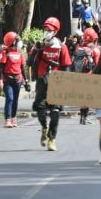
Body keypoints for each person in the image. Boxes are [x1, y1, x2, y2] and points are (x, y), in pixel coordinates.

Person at [31, 17, 72, 152]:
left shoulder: (61, 47)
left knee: (55, 111)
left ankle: (52, 138)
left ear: (55, 31)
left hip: (57, 81)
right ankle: (44, 127)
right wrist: (35, 50)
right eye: (45, 29)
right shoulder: (40, 45)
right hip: (42, 80)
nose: (47, 31)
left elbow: (66, 66)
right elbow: (30, 63)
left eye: (50, 30)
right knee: (40, 108)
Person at [0, 31, 30, 128]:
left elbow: (23, 68)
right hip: (8, 80)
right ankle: (7, 119)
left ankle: (14, 118)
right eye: (17, 40)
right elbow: (1, 68)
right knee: (9, 98)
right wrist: (0, 80)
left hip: (18, 80)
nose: (19, 42)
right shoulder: (5, 52)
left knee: (15, 100)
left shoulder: (20, 53)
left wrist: (26, 80)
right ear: (12, 42)